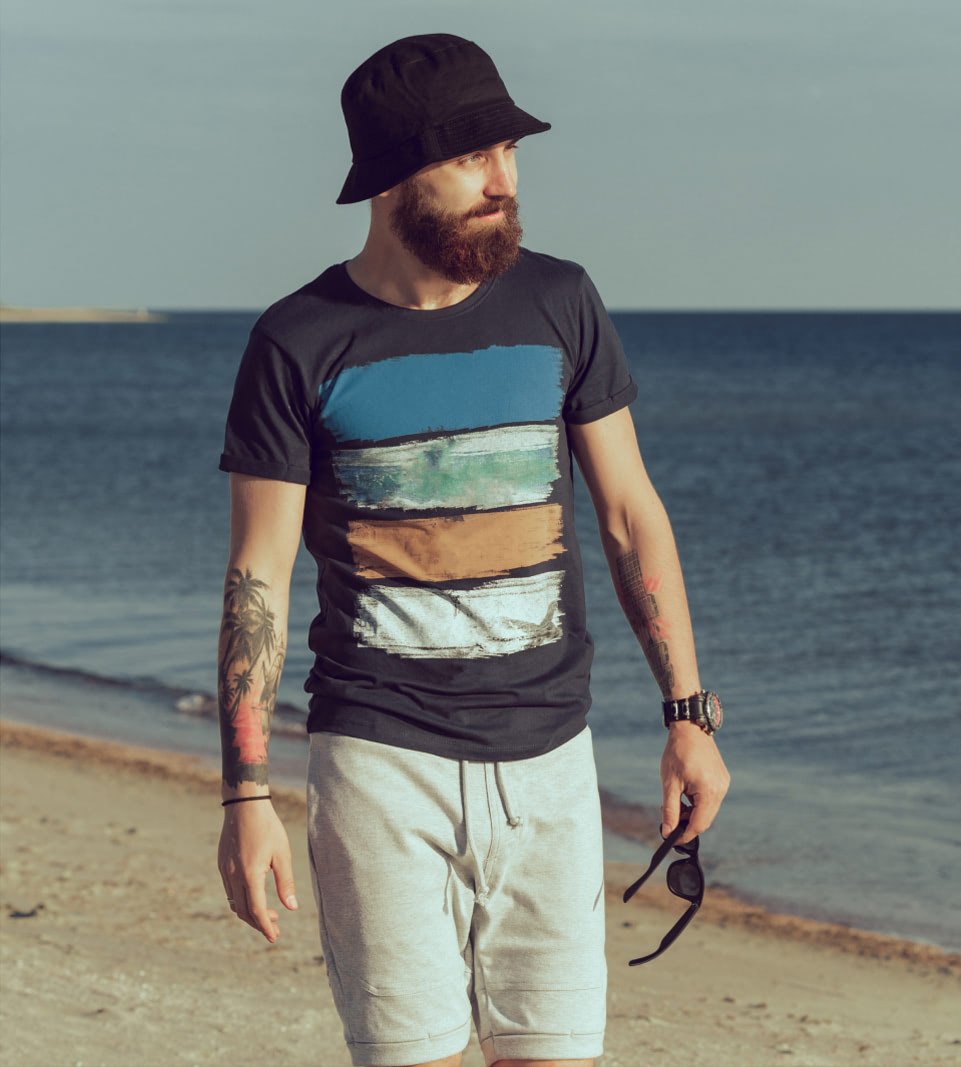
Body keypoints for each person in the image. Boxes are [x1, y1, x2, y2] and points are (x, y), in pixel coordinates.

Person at [216, 33, 729, 1067]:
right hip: (378, 764)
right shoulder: (298, 341)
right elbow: (257, 576)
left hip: (551, 762)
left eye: (508, 152)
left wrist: (687, 714)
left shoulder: (559, 301)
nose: (505, 181)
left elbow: (629, 512)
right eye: (470, 158)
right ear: (392, 179)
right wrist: (245, 797)